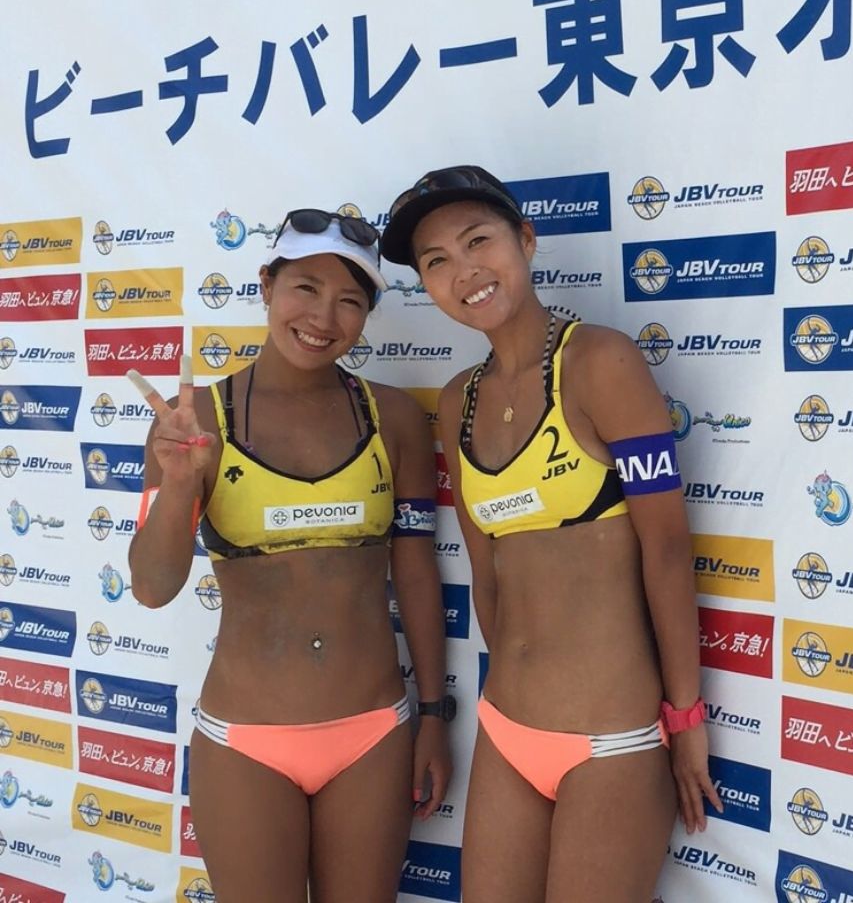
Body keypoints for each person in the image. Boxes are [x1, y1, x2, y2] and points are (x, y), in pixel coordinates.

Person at [379, 167, 723, 903]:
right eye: (436, 261)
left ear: (526, 240)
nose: (464, 271)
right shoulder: (456, 400)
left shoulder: (602, 362)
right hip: (507, 729)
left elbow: (666, 550)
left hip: (611, 738)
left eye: (478, 241)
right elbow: (487, 575)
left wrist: (686, 716)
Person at [127, 209, 453, 903]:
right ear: (266, 285)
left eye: (350, 301)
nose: (323, 317)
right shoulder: (195, 422)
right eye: (305, 288)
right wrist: (179, 483)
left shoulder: (393, 418)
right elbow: (152, 587)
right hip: (246, 740)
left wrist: (433, 713)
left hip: (374, 732)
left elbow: (416, 571)